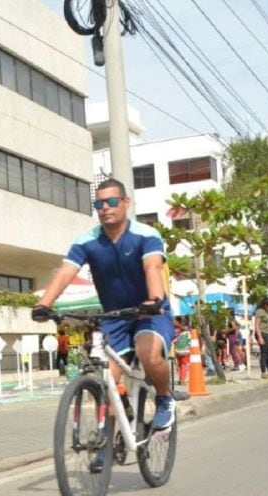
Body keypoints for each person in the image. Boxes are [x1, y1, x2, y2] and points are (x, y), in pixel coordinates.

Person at [31, 178, 176, 473]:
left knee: (148, 354)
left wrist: (154, 298)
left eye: (111, 202)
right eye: (99, 204)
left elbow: (152, 268)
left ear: (125, 203)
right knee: (103, 380)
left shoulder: (146, 235)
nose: (105, 208)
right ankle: (108, 442)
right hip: (115, 317)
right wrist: (44, 304)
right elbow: (65, 272)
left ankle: (164, 399)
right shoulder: (87, 241)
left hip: (150, 311)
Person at [254, 298, 268, 379]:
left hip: (267, 332)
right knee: (264, 353)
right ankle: (263, 372)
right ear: (266, 305)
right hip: (262, 333)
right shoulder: (260, 311)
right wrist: (260, 337)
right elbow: (257, 325)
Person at [173, 316, 190, 384]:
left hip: (178, 350)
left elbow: (174, 341)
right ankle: (183, 379)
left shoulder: (175, 331)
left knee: (179, 364)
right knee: (183, 365)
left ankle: (180, 378)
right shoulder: (187, 332)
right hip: (185, 350)